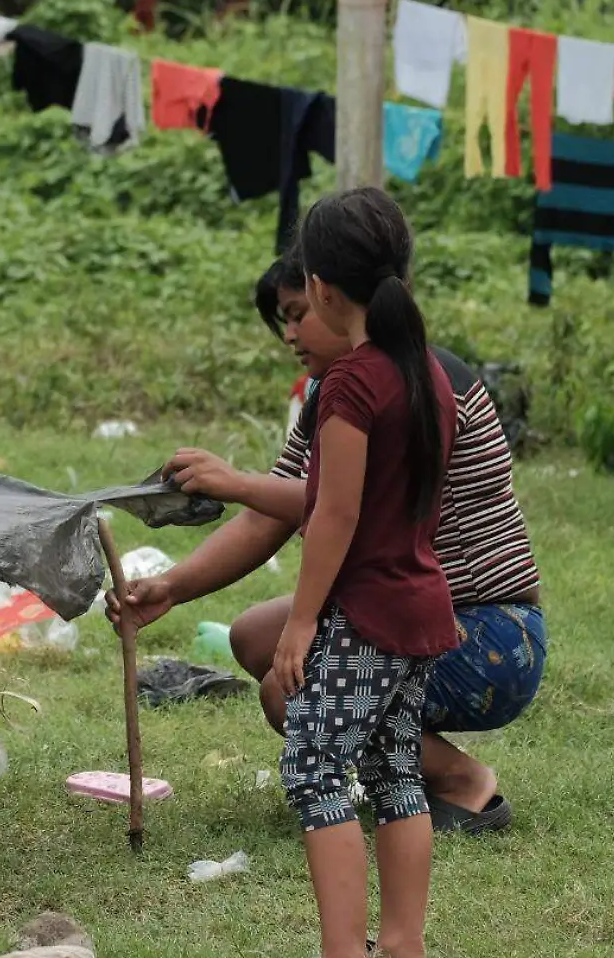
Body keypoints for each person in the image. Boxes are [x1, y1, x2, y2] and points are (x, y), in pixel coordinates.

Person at [114, 188, 457, 958]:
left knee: (314, 768)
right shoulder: (426, 373)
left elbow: (331, 513)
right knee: (397, 769)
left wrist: (301, 622)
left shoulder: (351, 382)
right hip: (419, 610)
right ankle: (402, 945)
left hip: (367, 616)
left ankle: (344, 949)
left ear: (326, 289)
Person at [117, 248, 544, 836]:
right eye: (282, 321)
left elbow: (356, 507)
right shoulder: (337, 390)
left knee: (288, 697)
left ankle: (459, 780)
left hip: (483, 632)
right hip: (408, 613)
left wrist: (237, 483)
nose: (291, 334)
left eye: (298, 313)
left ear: (333, 297)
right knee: (253, 638)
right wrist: (171, 587)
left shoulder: (421, 384)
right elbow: (275, 511)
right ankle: (402, 776)